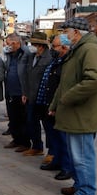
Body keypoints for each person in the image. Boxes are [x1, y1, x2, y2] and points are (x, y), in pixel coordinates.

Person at [49, 17, 97, 195]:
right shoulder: (78, 49)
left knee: (82, 155)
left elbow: (96, 79)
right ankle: (80, 185)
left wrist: (67, 98)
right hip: (75, 112)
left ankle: (86, 193)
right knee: (77, 155)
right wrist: (55, 104)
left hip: (83, 113)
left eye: (66, 32)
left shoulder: (89, 48)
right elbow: (66, 80)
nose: (64, 36)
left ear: (76, 32)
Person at [36, 34, 72, 180]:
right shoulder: (57, 60)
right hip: (48, 104)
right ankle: (56, 161)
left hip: (58, 107)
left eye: (55, 46)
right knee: (53, 137)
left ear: (64, 47)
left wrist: (56, 105)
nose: (52, 48)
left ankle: (67, 167)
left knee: (63, 139)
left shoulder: (67, 62)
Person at [23, 31, 52, 156]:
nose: (31, 46)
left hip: (43, 99)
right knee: (31, 122)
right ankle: (37, 147)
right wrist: (25, 93)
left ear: (40, 46)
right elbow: (27, 76)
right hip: (31, 97)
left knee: (48, 127)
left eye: (33, 44)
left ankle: (52, 153)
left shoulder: (49, 58)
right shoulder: (32, 56)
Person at [3, 33, 33, 152]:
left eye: (8, 43)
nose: (7, 46)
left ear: (15, 43)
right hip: (11, 91)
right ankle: (16, 139)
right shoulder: (10, 53)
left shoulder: (27, 53)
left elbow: (29, 73)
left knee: (23, 119)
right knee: (13, 118)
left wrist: (26, 92)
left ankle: (25, 143)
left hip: (22, 93)